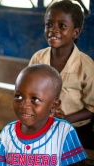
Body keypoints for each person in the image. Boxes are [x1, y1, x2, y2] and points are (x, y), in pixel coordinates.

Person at [0, 64, 87, 166]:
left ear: (53, 106)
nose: (24, 105)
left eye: (35, 99)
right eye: (18, 96)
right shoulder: (8, 133)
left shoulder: (64, 132)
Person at [29, 0, 94, 150]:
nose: (54, 30)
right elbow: (28, 92)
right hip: (41, 126)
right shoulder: (38, 59)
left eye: (62, 26)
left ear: (75, 32)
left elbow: (92, 108)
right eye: (49, 24)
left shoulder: (86, 66)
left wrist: (65, 119)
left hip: (77, 132)